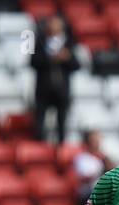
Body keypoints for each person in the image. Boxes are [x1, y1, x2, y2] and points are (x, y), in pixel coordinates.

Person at [31, 15, 79, 144]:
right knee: (40, 119)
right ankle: (39, 144)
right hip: (43, 89)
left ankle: (61, 145)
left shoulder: (69, 43)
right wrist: (51, 59)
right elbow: (33, 62)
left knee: (62, 120)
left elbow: (76, 64)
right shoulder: (40, 42)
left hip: (62, 89)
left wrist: (66, 58)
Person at [72, 130, 113, 205]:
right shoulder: (82, 158)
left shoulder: (103, 157)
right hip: (87, 193)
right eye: (94, 141)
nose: (97, 144)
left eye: (98, 141)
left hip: (101, 190)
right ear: (88, 142)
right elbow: (85, 179)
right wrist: (101, 171)